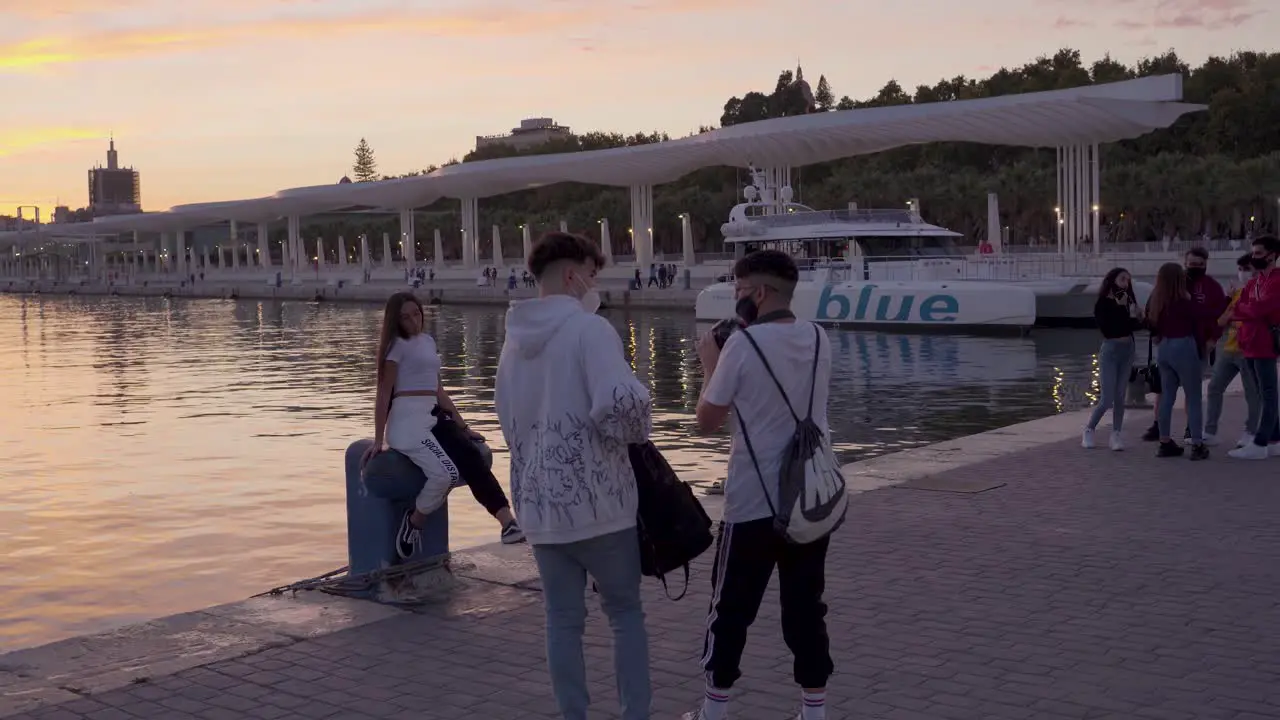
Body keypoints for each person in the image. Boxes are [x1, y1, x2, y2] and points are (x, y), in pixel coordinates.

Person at [495, 232, 653, 720]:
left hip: (541, 510)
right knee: (625, 616)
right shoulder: (590, 330)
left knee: (562, 621)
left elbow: (506, 421)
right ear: (571, 274)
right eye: (592, 273)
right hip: (602, 506)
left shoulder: (512, 344)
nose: (594, 283)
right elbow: (621, 405)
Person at [689, 249, 835, 720]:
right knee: (806, 609)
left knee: (730, 609)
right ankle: (814, 712)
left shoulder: (740, 346)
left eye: (738, 293)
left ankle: (715, 712)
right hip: (809, 499)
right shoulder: (818, 338)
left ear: (758, 292)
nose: (736, 303)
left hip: (752, 502)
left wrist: (710, 361)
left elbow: (706, 422)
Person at [362, 292, 525, 548]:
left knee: (469, 453)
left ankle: (507, 522)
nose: (413, 321)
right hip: (408, 419)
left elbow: (438, 391)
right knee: (446, 474)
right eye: (405, 317)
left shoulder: (427, 342)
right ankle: (414, 522)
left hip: (432, 413)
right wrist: (378, 439)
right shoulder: (395, 347)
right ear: (396, 321)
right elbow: (383, 394)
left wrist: (463, 426)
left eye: (416, 314)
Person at [1142, 247, 1227, 442]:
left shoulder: (1211, 287)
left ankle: (1178, 433)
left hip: (1194, 346)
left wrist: (1212, 339)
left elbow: (1217, 314)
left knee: (1179, 393)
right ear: (1184, 264)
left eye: (1200, 264)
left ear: (1206, 264)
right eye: (1192, 264)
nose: (1195, 267)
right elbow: (1205, 315)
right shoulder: (1178, 291)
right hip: (1185, 346)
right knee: (1178, 393)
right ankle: (1189, 439)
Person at [1146, 263, 1210, 460]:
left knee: (1167, 396)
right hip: (1184, 346)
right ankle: (1197, 444)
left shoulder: (1156, 301)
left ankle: (1164, 442)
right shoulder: (1185, 301)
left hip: (1164, 348)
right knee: (1193, 397)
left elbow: (1151, 326)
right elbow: (1199, 325)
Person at [1228, 235, 1280, 460]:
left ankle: (1260, 443)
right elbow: (1238, 307)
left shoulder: (1277, 281)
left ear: (1272, 255)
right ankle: (1275, 439)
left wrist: (1247, 309)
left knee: (1268, 394)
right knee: (1262, 393)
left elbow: (1260, 308)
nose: (1254, 257)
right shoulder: (1254, 282)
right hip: (1249, 342)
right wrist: (1248, 308)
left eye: (1259, 253)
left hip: (1265, 343)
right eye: (1253, 253)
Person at [1203, 254, 1262, 448]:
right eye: (1240, 269)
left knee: (1252, 394)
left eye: (1246, 269)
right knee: (1214, 387)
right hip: (1230, 349)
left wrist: (1236, 317)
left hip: (1249, 350)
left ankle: (1251, 432)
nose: (1242, 273)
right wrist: (1227, 301)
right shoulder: (1236, 293)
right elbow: (1222, 320)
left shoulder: (1260, 291)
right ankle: (1210, 431)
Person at [1083, 267, 1142, 451]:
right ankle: (1089, 429)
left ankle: (1116, 434)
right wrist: (1120, 308)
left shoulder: (1128, 302)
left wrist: (1138, 317)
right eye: (1123, 279)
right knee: (1107, 398)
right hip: (1111, 349)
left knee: (1120, 396)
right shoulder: (1103, 303)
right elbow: (1108, 329)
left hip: (1128, 349)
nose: (1126, 283)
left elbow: (1132, 327)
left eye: (1128, 280)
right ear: (1112, 280)